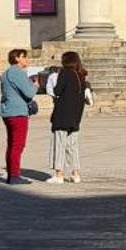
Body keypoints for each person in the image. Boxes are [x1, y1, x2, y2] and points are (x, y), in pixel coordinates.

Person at [0, 47, 39, 182]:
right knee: (18, 145)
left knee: (11, 144)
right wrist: (35, 85)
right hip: (18, 112)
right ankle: (14, 175)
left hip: (8, 111)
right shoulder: (18, 72)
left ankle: (12, 174)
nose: (27, 59)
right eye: (24, 56)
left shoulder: (6, 73)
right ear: (17, 58)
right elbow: (29, 93)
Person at [49, 49, 90, 183]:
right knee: (73, 145)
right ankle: (75, 173)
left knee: (60, 144)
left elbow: (57, 90)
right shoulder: (81, 75)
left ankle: (59, 174)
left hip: (63, 115)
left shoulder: (65, 73)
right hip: (75, 115)